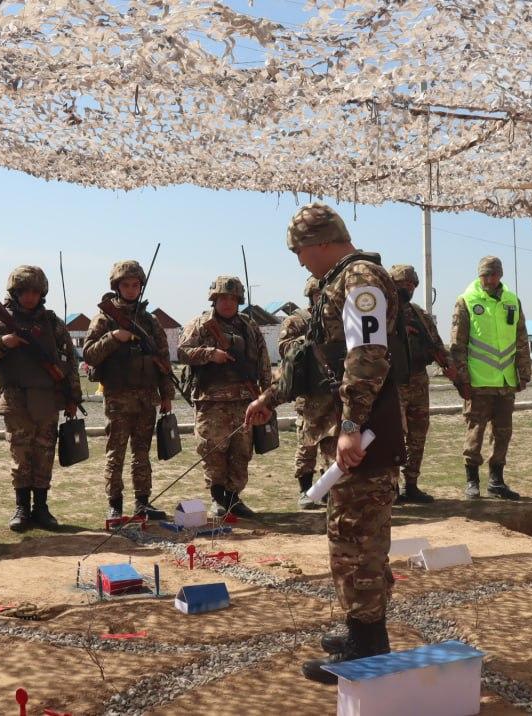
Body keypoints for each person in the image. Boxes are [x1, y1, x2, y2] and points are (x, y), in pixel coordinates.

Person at [246, 203, 405, 684]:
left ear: (319, 242)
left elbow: (367, 354)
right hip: (349, 429)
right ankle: (363, 630)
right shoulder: (338, 282)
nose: (299, 261)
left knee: (357, 541)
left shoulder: (360, 278)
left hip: (363, 433)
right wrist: (270, 398)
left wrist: (351, 425)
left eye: (299, 251)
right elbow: (315, 361)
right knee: (353, 536)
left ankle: (367, 648)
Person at [0, 265, 82, 531]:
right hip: (16, 401)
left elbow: (70, 361)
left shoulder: (52, 323)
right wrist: (3, 343)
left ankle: (41, 508)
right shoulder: (1, 322)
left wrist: (73, 398)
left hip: (47, 400)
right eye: (24, 291)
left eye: (35, 292)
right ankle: (22, 508)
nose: (30, 297)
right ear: (15, 292)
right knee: (20, 457)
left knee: (44, 454)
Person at [82, 260, 174, 521]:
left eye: (135, 285)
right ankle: (115, 504)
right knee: (116, 454)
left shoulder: (150, 321)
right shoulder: (104, 318)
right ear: (117, 286)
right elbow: (89, 353)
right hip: (118, 398)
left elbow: (163, 361)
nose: (131, 290)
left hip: (147, 397)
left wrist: (167, 395)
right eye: (126, 285)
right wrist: (114, 337)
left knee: (142, 454)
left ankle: (142, 503)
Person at [178, 276, 271, 518]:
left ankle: (233, 498)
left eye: (232, 298)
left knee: (242, 452)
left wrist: (266, 396)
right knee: (213, 451)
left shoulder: (249, 326)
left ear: (239, 300)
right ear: (214, 299)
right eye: (222, 298)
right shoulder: (200, 324)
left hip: (245, 401)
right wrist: (210, 354)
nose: (228, 303)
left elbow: (263, 362)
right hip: (212, 402)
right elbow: (183, 352)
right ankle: (218, 498)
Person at [449, 256, 531, 500]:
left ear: (500, 275)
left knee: (503, 433)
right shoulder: (466, 301)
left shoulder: (512, 301)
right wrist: (462, 379)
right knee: (475, 432)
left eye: (494, 274)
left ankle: (496, 481)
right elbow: (458, 345)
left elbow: (521, 339)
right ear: (479, 275)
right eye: (485, 274)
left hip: (505, 381)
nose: (490, 279)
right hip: (478, 382)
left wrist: (524, 372)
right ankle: (472, 481)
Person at [388, 264, 458, 504]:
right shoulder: (382, 313)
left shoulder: (420, 315)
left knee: (418, 436)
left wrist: (450, 366)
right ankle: (391, 487)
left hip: (418, 381)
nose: (408, 288)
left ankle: (411, 484)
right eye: (403, 283)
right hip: (393, 383)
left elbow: (436, 345)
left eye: (412, 284)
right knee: (394, 436)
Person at [277, 276, 334, 510]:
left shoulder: (337, 319)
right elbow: (284, 348)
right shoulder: (298, 320)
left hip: (333, 393)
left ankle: (327, 490)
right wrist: (308, 340)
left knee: (332, 445)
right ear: (310, 295)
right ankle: (305, 491)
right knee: (307, 444)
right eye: (318, 295)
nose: (322, 299)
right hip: (309, 393)